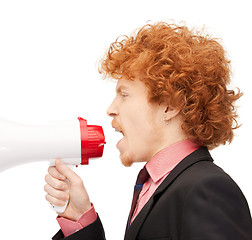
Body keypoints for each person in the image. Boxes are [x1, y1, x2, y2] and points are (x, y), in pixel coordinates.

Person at [44, 22, 252, 240]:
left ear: (169, 106)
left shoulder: (208, 190)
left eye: (124, 95)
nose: (111, 110)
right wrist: (80, 218)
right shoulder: (155, 186)